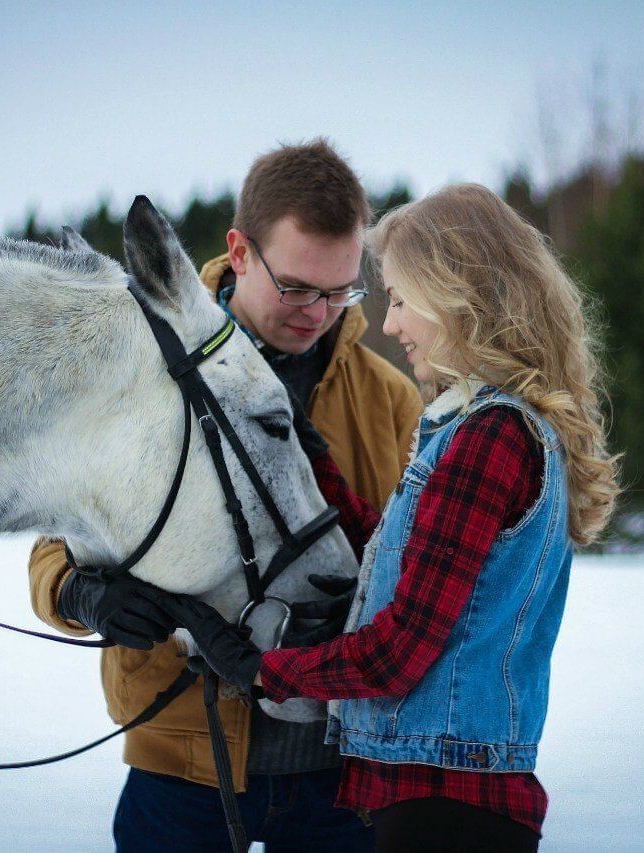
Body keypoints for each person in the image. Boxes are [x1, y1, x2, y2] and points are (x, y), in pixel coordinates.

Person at [171, 183, 621, 852]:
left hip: (444, 811)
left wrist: (263, 671)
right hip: (452, 798)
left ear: (457, 295)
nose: (390, 324)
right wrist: (312, 455)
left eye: (403, 300)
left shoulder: (488, 439)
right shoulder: (482, 426)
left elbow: (399, 650)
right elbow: (401, 554)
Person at [27, 140, 423, 851]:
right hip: (181, 768)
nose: (319, 312)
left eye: (341, 291)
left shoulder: (389, 398)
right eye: (298, 287)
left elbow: (412, 572)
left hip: (342, 775)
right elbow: (52, 545)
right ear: (239, 253)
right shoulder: (148, 374)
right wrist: (85, 595)